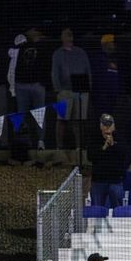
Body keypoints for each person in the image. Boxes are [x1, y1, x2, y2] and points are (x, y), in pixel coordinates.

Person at [51, 27, 92, 163]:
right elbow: (55, 72)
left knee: (78, 121)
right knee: (61, 120)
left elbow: (88, 70)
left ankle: (79, 147)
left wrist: (88, 88)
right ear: (62, 37)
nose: (69, 37)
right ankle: (59, 148)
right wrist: (58, 90)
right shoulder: (58, 53)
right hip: (64, 91)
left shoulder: (81, 52)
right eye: (66, 34)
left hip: (81, 91)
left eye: (70, 34)